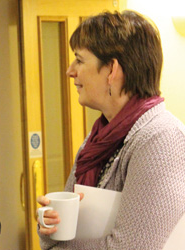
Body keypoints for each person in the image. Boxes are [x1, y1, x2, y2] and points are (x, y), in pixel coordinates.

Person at [37, 10, 185, 250]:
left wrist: (62, 244)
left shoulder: (161, 139)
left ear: (112, 70)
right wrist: (50, 226)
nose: (70, 71)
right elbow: (59, 236)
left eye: (80, 60)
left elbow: (131, 248)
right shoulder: (96, 139)